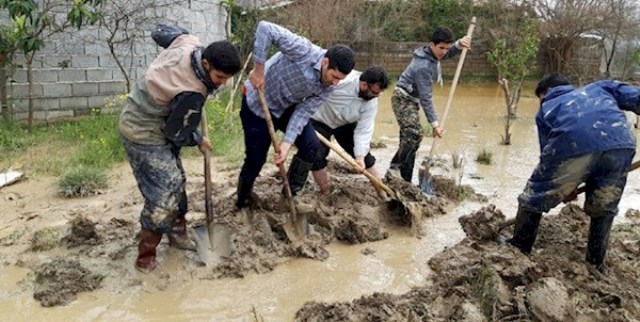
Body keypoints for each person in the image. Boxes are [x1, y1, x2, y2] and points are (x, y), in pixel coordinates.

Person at [118, 24, 242, 273]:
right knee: (165, 193)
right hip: (142, 128)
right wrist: (197, 138)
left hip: (160, 116)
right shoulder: (192, 93)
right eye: (219, 78)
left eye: (228, 79)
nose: (221, 84)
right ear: (206, 63)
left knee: (177, 180)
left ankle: (177, 234)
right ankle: (145, 258)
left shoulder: (188, 42)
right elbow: (176, 133)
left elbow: (159, 32)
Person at [509, 74, 640, 271]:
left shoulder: (546, 108)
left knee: (533, 198)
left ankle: (519, 248)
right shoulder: (601, 87)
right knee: (604, 206)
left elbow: (548, 159)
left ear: (544, 95)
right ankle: (595, 263)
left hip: (572, 145)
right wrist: (569, 186)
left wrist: (564, 188)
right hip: (621, 143)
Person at [236, 21, 355, 209]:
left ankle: (289, 195)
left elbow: (303, 112)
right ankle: (242, 200)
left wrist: (286, 144)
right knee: (255, 158)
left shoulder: (329, 86)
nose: (335, 83)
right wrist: (259, 70)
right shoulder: (303, 50)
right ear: (325, 62)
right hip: (258, 103)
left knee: (311, 145)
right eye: (335, 77)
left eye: (340, 80)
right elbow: (265, 28)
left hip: (287, 106)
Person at [389, 27, 471, 182]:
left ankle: (400, 173)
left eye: (447, 48)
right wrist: (435, 124)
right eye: (441, 48)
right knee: (414, 134)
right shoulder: (423, 66)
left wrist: (459, 44)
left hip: (412, 99)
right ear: (431, 45)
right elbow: (426, 98)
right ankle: (398, 170)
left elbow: (448, 53)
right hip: (402, 98)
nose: (444, 52)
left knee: (408, 137)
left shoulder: (432, 54)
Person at [310, 66, 390, 194]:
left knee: (366, 157)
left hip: (344, 124)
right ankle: (326, 192)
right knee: (316, 154)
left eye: (379, 93)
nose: (376, 96)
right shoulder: (341, 81)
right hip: (320, 119)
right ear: (364, 85)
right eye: (374, 93)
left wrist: (359, 157)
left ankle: (383, 194)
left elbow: (364, 130)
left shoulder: (371, 102)